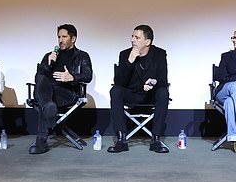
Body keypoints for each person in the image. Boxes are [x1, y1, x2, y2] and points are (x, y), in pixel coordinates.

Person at [29, 24, 93, 154]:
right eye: (59, 37)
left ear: (73, 39)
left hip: (66, 93)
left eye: (64, 37)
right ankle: (48, 106)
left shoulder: (82, 56)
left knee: (44, 102)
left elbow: (88, 75)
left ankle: (41, 142)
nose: (60, 40)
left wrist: (71, 77)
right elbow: (38, 77)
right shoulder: (49, 55)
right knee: (42, 82)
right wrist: (48, 63)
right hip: (46, 92)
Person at [108, 24, 170, 153]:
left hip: (150, 94)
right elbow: (118, 82)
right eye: (132, 37)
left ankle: (156, 140)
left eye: (137, 37)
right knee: (116, 90)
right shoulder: (125, 54)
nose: (132, 40)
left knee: (163, 92)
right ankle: (121, 139)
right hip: (132, 93)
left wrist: (153, 82)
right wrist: (129, 61)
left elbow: (163, 80)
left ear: (147, 42)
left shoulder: (159, 54)